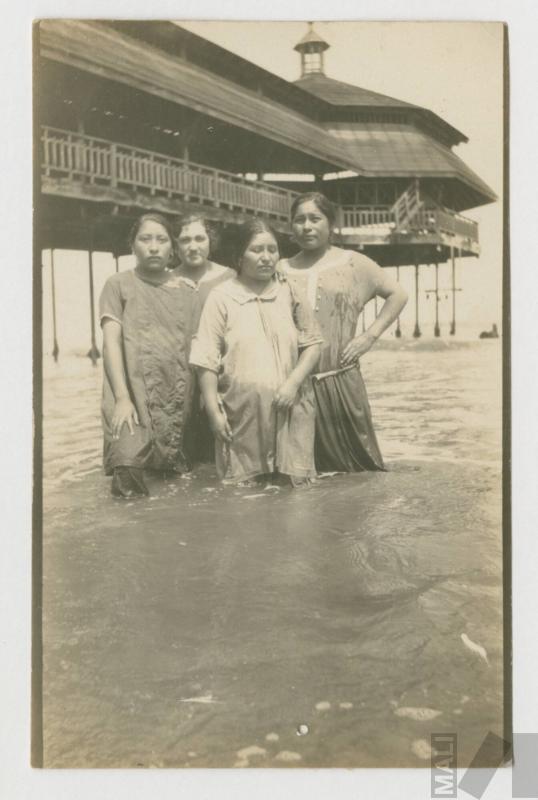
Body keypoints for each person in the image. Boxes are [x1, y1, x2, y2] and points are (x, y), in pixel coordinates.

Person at [278, 192, 408, 472]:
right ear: (291, 227)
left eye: (315, 218)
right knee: (300, 475)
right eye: (299, 220)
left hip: (341, 380)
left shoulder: (354, 263)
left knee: (359, 470)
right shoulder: (281, 269)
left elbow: (397, 294)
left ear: (330, 224)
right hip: (295, 385)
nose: (307, 226)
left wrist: (369, 336)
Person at [189, 218, 323, 486]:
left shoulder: (290, 290)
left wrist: (293, 383)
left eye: (272, 250)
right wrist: (214, 412)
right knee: (244, 499)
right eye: (256, 250)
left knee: (297, 497)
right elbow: (206, 359)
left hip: (293, 406)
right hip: (241, 413)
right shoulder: (221, 296)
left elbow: (313, 344)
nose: (266, 258)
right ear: (239, 255)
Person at [99, 212, 200, 498]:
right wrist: (121, 397)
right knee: (127, 470)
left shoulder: (188, 291)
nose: (153, 247)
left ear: (173, 248)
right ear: (132, 245)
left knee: (174, 482)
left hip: (176, 396)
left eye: (161, 240)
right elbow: (111, 342)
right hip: (130, 392)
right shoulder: (117, 284)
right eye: (145, 239)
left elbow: (197, 348)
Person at [175, 215, 235, 463]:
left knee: (223, 446)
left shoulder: (231, 276)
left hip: (220, 372)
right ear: (176, 246)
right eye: (185, 240)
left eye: (200, 238)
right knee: (186, 451)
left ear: (211, 241)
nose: (193, 246)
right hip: (181, 374)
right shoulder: (166, 280)